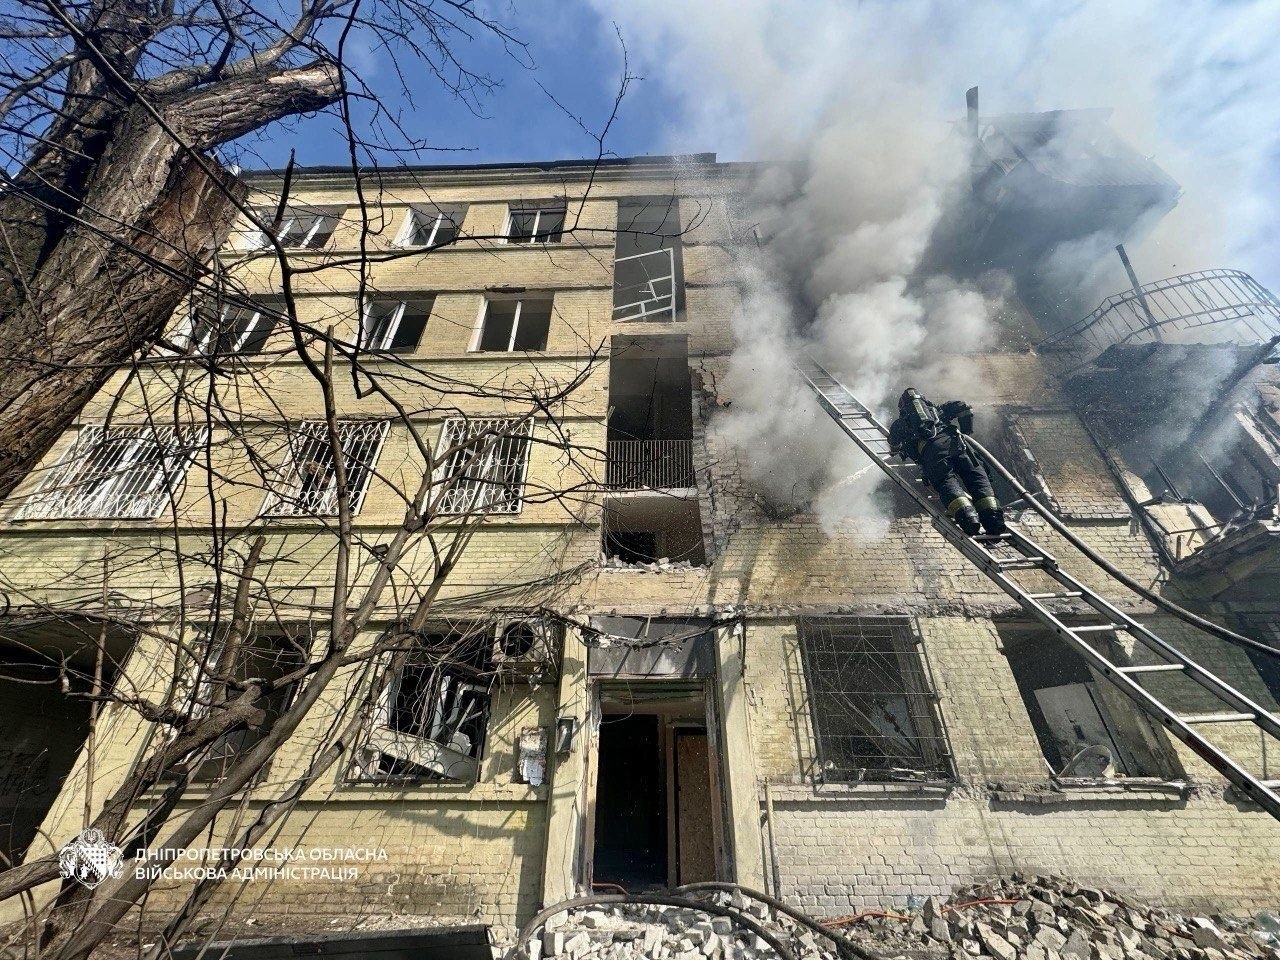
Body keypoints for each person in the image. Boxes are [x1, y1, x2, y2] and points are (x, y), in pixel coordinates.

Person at [887, 388, 1007, 536]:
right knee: (977, 479)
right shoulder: (939, 410)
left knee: (946, 482)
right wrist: (966, 430)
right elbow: (963, 407)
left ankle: (968, 519)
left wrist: (896, 450)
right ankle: (994, 519)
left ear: (902, 407)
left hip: (934, 452)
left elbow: (893, 444)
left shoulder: (901, 424)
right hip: (959, 445)